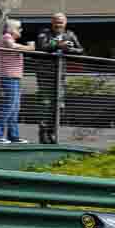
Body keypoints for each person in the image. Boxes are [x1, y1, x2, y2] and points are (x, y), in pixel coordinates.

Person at [35, 13, 85, 144]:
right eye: (56, 22)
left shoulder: (70, 34)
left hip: (60, 74)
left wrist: (68, 49)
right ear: (52, 22)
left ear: (65, 23)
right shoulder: (44, 33)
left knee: (60, 106)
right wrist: (58, 45)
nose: (58, 25)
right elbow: (42, 47)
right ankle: (43, 133)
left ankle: (52, 131)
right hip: (45, 73)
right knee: (46, 104)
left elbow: (80, 50)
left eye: (61, 22)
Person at [0, 19, 35, 143]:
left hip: (15, 78)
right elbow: (13, 46)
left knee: (15, 108)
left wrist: (28, 48)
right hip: (9, 77)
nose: (21, 30)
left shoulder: (11, 39)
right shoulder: (6, 37)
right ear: (10, 29)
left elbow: (16, 47)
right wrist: (29, 47)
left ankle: (13, 136)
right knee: (9, 106)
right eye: (18, 28)